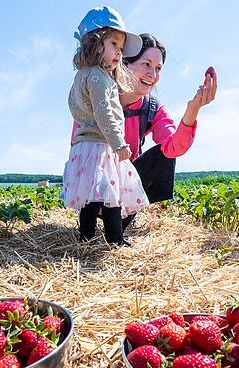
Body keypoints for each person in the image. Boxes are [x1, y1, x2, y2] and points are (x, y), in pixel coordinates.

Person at [61, 7, 150, 246]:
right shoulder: (100, 78)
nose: (119, 54)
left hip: (83, 146)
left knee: (91, 196)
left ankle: (86, 236)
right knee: (112, 195)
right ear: (94, 42)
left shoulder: (81, 76)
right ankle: (115, 238)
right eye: (113, 44)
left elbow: (74, 106)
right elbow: (104, 113)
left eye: (121, 49)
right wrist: (118, 143)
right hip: (101, 145)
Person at [119, 33, 217, 229]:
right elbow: (80, 145)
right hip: (97, 182)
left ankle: (124, 215)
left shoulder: (153, 107)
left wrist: (193, 110)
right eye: (146, 64)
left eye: (158, 68)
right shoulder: (100, 97)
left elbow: (174, 148)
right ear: (126, 64)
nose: (153, 75)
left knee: (163, 155)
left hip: (126, 183)